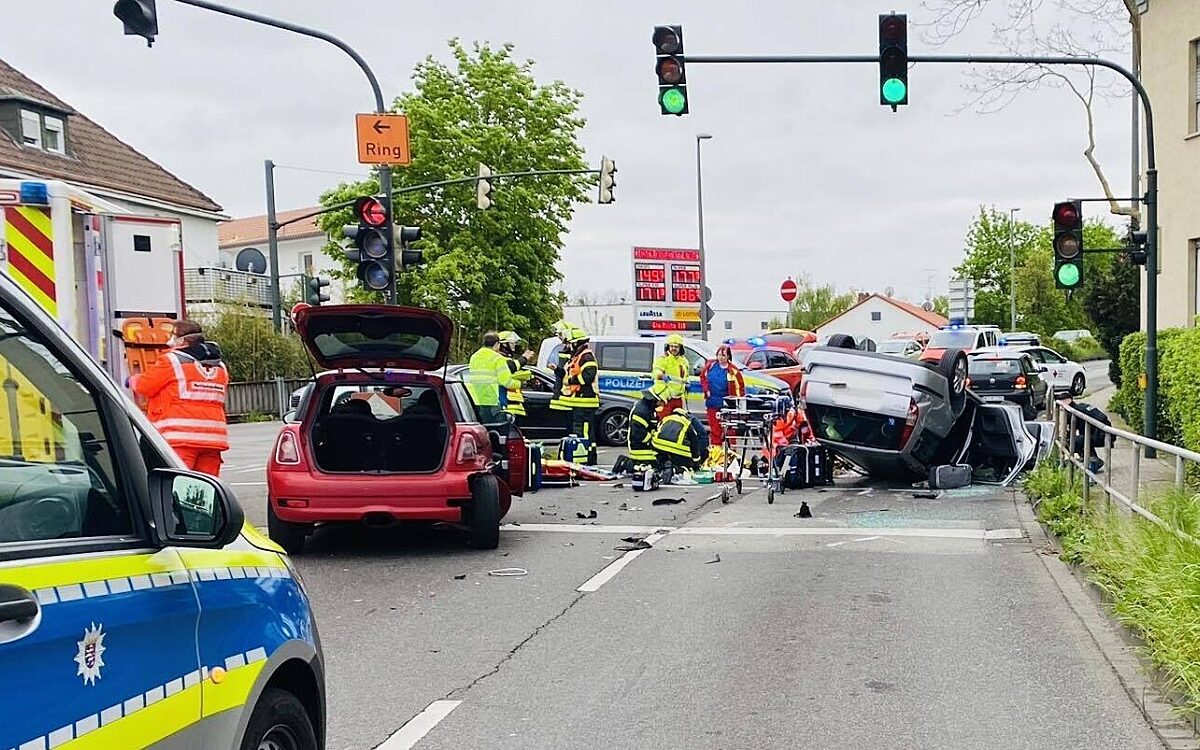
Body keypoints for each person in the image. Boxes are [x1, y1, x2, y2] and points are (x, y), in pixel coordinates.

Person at [130, 319, 230, 476]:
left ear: (182, 340)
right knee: (205, 490)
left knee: (178, 485)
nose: (170, 339)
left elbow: (144, 386)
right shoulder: (220, 367)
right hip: (213, 440)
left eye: (173, 335)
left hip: (180, 438)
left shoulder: (172, 361)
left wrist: (131, 380)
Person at [560, 327, 600, 465]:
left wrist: (570, 380)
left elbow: (588, 376)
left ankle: (588, 459)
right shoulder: (578, 356)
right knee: (579, 431)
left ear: (576, 343)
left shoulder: (586, 356)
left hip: (585, 402)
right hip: (579, 402)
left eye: (570, 343)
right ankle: (582, 456)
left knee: (585, 432)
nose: (568, 346)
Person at [627, 381, 684, 467]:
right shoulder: (642, 411)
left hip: (645, 447)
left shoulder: (648, 408)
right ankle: (631, 465)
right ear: (655, 399)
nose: (662, 404)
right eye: (661, 401)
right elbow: (638, 435)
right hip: (641, 452)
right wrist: (654, 442)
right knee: (664, 465)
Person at [700, 344, 746, 446]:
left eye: (723, 355)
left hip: (727, 405)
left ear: (728, 357)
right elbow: (703, 378)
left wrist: (739, 404)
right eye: (719, 355)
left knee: (730, 430)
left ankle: (732, 451)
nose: (720, 357)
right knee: (715, 429)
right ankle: (717, 451)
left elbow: (740, 388)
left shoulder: (733, 371)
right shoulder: (710, 366)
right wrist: (706, 390)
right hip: (712, 403)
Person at [465, 332, 514, 424]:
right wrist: (518, 383)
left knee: (483, 426)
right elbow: (505, 381)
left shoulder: (474, 356)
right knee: (496, 427)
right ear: (496, 344)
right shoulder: (498, 358)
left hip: (477, 398)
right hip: (493, 399)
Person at [651, 406, 706, 471]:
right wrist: (696, 463)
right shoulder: (687, 423)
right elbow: (694, 443)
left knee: (661, 464)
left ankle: (663, 467)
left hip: (658, 447)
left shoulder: (666, 419)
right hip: (678, 451)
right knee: (685, 466)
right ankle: (677, 469)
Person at [653, 333, 691, 418]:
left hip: (678, 398)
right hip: (665, 398)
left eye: (676, 347)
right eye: (671, 346)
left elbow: (686, 376)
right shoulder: (663, 359)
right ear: (668, 347)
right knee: (664, 422)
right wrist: (661, 375)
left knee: (678, 422)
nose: (673, 348)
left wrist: (687, 383)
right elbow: (656, 371)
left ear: (680, 348)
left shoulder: (684, 361)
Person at [498, 331, 532, 418]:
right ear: (504, 344)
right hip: (505, 400)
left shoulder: (508, 358)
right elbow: (512, 367)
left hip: (511, 402)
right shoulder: (500, 359)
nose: (514, 345)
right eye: (512, 343)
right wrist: (524, 358)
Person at [547, 320, 574, 430]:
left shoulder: (570, 351)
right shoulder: (564, 349)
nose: (559, 337)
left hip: (569, 392)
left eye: (560, 334)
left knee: (571, 423)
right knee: (568, 423)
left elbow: (566, 373)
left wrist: (557, 369)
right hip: (564, 391)